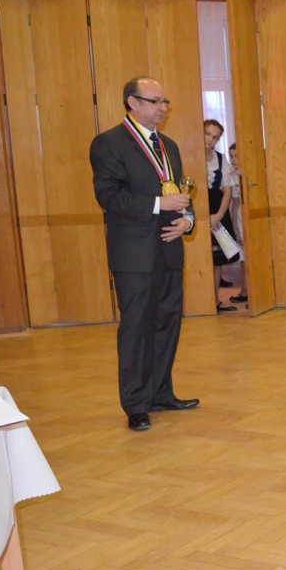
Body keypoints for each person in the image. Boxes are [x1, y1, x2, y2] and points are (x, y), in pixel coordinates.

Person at [89, 77, 198, 432]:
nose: (162, 108)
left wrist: (188, 220)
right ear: (132, 102)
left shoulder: (169, 145)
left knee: (167, 323)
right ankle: (136, 404)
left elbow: (179, 193)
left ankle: (161, 393)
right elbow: (108, 195)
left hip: (169, 248)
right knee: (137, 328)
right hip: (134, 254)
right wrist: (157, 204)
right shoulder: (109, 143)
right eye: (155, 101)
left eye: (165, 101)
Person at [203, 119, 238, 312]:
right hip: (197, 211)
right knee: (201, 258)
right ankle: (201, 303)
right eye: (207, 134)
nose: (210, 139)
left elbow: (227, 191)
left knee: (217, 260)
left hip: (217, 211)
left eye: (215, 137)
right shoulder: (189, 155)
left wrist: (218, 215)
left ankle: (215, 301)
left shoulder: (220, 158)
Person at [226, 143, 248, 305]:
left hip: (251, 213)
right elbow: (235, 202)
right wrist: (234, 225)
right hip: (240, 215)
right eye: (231, 156)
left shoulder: (251, 173)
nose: (234, 160)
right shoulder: (232, 176)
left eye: (237, 156)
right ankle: (245, 290)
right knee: (243, 256)